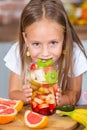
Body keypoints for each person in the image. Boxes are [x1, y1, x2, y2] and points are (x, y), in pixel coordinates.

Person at [4, 0, 87, 107]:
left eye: (53, 43)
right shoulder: (18, 51)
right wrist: (25, 96)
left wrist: (60, 99)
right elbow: (13, 92)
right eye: (36, 44)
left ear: (65, 37)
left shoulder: (74, 54)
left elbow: (74, 94)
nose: (45, 53)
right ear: (25, 38)